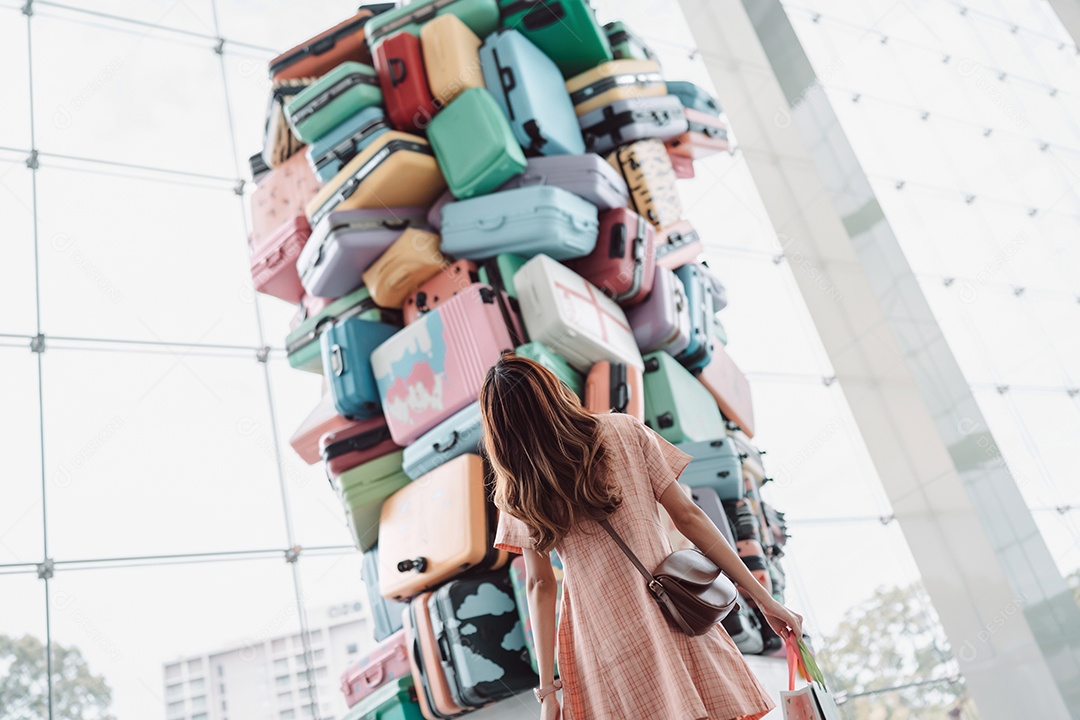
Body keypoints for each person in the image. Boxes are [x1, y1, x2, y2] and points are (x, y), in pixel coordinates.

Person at [479, 354, 803, 720]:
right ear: (553, 389)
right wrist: (764, 600)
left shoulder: (517, 492)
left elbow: (540, 584)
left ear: (499, 431)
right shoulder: (622, 431)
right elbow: (689, 516)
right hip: (673, 608)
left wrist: (548, 693)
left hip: (602, 637)